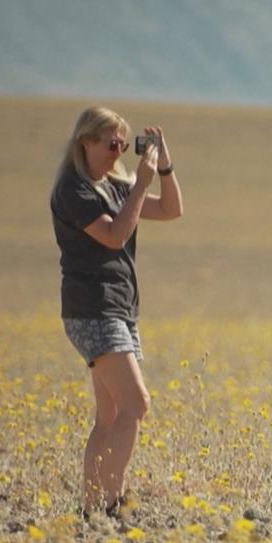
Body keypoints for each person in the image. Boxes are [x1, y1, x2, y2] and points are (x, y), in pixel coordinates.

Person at [50, 107, 183, 518]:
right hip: (93, 309)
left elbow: (172, 209)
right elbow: (113, 236)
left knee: (108, 416)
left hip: (119, 308)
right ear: (85, 142)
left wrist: (163, 168)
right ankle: (110, 503)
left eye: (123, 145)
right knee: (136, 406)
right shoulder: (75, 190)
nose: (118, 151)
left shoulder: (115, 184)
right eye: (111, 144)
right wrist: (139, 183)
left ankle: (92, 508)